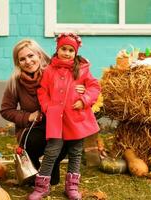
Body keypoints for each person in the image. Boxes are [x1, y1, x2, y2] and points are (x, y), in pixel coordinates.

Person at [0, 39, 85, 185]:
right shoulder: (15, 82)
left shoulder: (55, 72)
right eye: (22, 59)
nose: (28, 61)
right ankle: (33, 169)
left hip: (58, 123)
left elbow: (79, 81)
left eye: (31, 56)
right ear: (18, 63)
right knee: (34, 140)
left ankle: (52, 166)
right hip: (33, 128)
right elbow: (6, 110)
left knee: (66, 137)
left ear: (39, 55)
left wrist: (82, 91)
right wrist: (28, 116)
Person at [28, 33, 100, 200]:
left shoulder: (82, 70)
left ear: (75, 52)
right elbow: (42, 90)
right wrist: (47, 107)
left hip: (76, 119)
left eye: (70, 50)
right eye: (63, 49)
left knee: (75, 152)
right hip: (56, 118)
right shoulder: (49, 70)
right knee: (51, 151)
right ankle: (41, 186)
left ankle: (72, 187)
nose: (67, 53)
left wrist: (84, 100)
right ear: (57, 49)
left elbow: (94, 87)